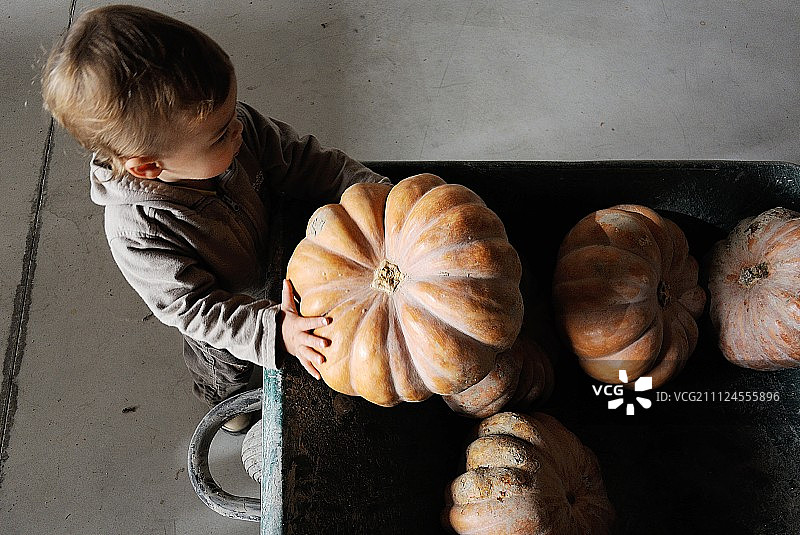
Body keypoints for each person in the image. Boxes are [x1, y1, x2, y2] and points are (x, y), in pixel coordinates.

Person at [41, 4, 390, 433]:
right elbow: (194, 309)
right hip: (223, 322)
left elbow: (307, 161)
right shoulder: (138, 231)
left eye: (233, 111)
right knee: (229, 377)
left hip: (279, 270)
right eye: (221, 133)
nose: (239, 128)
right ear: (147, 167)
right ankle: (230, 412)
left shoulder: (233, 129)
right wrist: (273, 329)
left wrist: (376, 194)